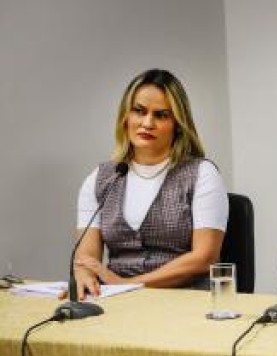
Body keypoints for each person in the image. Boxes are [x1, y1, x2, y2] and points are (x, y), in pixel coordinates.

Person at [73, 69, 229, 299]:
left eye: (161, 115)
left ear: (178, 124)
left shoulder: (202, 174)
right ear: (125, 116)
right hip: (115, 300)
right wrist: (85, 274)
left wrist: (129, 284)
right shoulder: (101, 178)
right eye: (139, 111)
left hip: (184, 299)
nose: (147, 123)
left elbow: (205, 258)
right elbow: (86, 258)